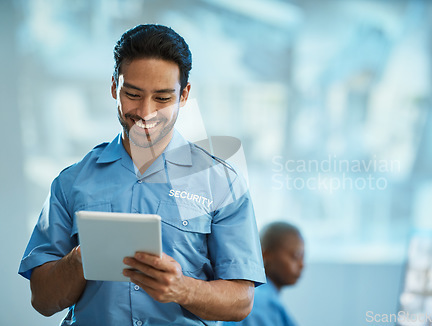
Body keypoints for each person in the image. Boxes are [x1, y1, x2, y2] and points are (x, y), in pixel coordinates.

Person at [18, 24, 266, 326]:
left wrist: (182, 289)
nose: (145, 111)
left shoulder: (222, 182)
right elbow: (42, 300)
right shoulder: (70, 183)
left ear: (184, 95)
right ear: (114, 88)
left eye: (162, 98)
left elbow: (241, 302)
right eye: (133, 94)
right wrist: (80, 259)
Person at [225, 221, 305, 326]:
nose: (301, 264)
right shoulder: (262, 302)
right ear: (265, 254)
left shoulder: (260, 297)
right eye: (295, 256)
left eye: (303, 257)